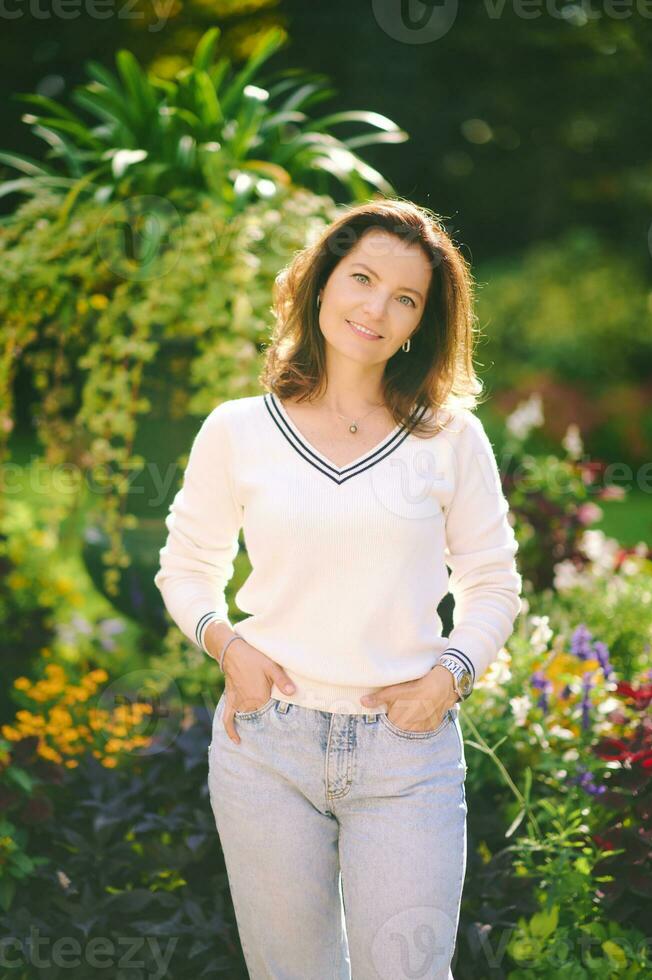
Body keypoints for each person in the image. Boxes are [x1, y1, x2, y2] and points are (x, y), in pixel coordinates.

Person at [154, 197, 522, 980]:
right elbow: (187, 570)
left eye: (405, 298)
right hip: (267, 745)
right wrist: (228, 647)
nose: (375, 308)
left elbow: (493, 582)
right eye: (361, 278)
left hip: (407, 750)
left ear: (421, 322)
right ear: (320, 284)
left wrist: (448, 679)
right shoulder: (237, 430)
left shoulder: (450, 439)